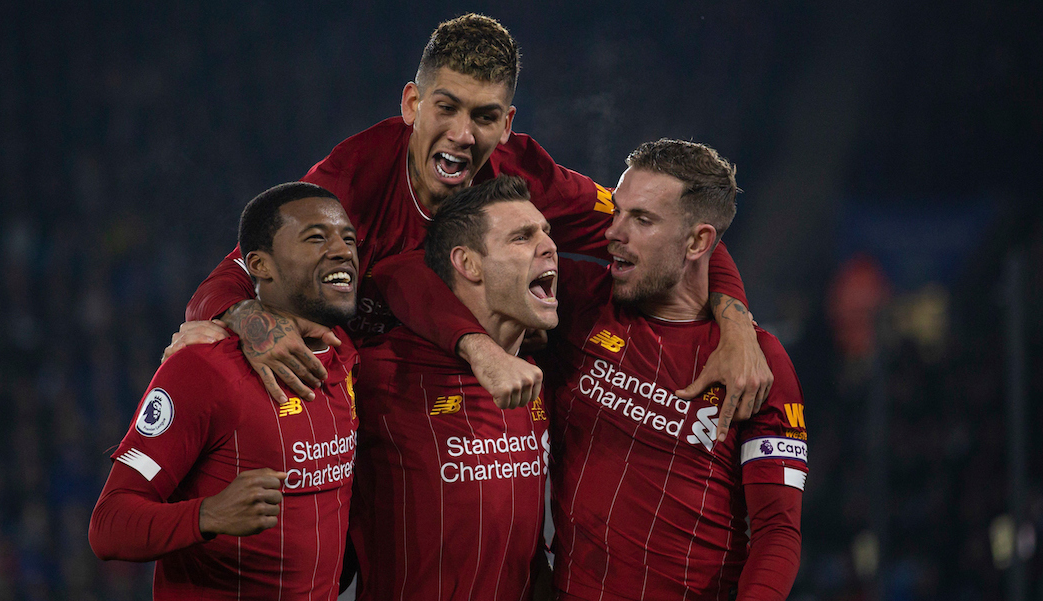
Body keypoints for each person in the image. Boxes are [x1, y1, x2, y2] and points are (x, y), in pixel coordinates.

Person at [176, 13, 770, 440]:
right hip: (360, 411)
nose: (463, 134)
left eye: (484, 116)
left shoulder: (525, 179)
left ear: (507, 123)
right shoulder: (346, 183)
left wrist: (735, 321)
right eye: (447, 107)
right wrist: (250, 323)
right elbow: (228, 281)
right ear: (412, 104)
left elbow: (668, 232)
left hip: (477, 415)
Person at [545, 140, 806, 601]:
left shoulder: (756, 364)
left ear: (697, 241)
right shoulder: (575, 302)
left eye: (641, 219)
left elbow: (779, 529)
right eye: (617, 211)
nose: (613, 232)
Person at [89, 182, 360, 601]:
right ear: (259, 266)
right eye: (316, 238)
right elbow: (109, 527)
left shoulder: (345, 359)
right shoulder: (203, 369)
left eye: (347, 238)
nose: (342, 250)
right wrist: (209, 515)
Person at [338, 175, 557, 601]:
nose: (548, 246)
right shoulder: (377, 376)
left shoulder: (546, 375)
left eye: (546, 232)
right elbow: (393, 270)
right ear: (467, 263)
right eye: (522, 237)